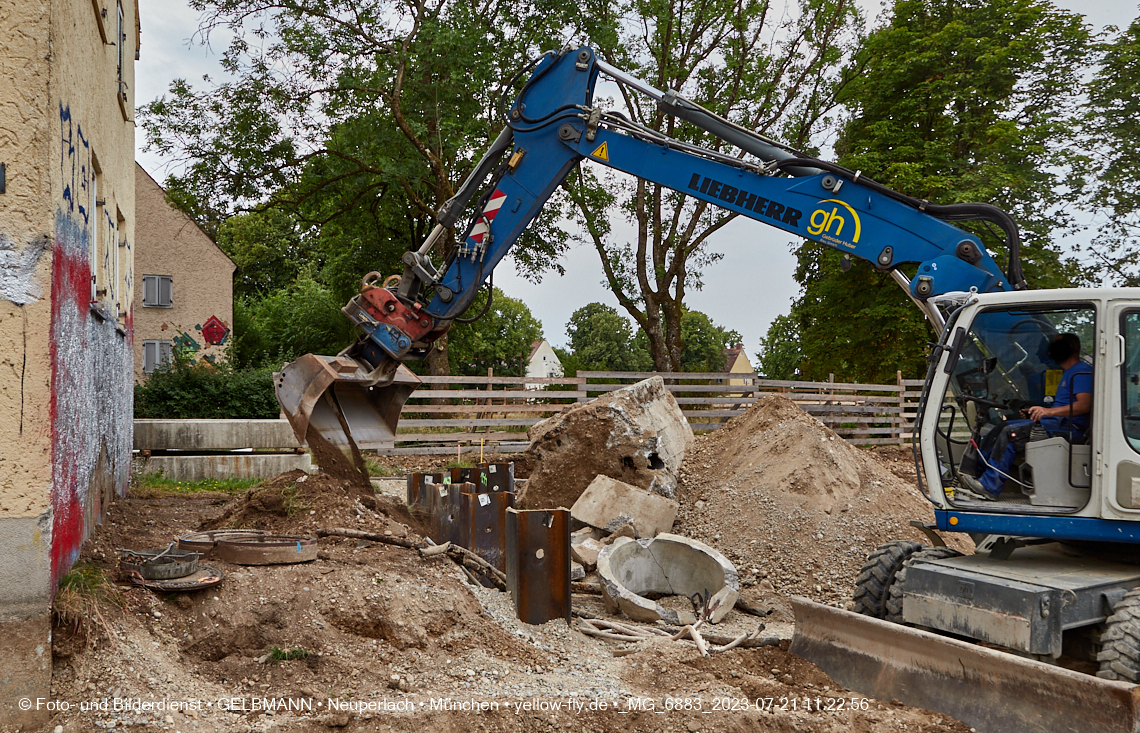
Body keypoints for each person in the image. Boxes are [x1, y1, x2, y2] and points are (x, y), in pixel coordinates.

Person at [959, 333, 1092, 500]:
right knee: (1000, 427)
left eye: (1055, 346)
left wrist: (1049, 412)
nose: (1050, 352)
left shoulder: (1082, 372)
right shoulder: (1068, 372)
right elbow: (1063, 405)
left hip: (1069, 428)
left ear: (1071, 348)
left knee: (1010, 433)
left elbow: (1084, 405)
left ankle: (989, 486)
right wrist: (1036, 410)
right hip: (1055, 423)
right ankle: (976, 476)